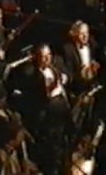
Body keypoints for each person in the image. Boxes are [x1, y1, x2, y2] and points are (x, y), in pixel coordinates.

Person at [22, 44, 71, 175]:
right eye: (43, 57)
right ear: (37, 58)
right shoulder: (31, 73)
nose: (47, 59)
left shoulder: (54, 68)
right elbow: (35, 95)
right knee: (49, 145)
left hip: (60, 113)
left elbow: (65, 77)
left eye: (48, 56)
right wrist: (50, 90)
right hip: (45, 114)